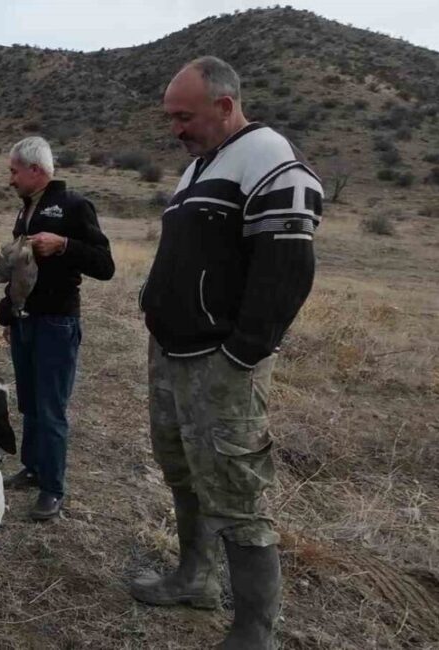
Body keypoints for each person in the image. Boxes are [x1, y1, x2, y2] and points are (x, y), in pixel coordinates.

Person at [133, 56, 323, 649]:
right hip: (171, 357)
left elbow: (287, 271)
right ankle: (195, 577)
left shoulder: (267, 158)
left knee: (238, 491)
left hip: (220, 364)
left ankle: (253, 632)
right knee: (184, 471)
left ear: (224, 104)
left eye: (184, 116)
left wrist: (241, 356)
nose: (176, 129)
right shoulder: (197, 169)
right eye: (170, 118)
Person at [0, 136, 114, 521]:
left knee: (50, 408)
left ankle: (53, 487)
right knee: (29, 402)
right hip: (25, 322)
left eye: (14, 171)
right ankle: (32, 468)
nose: (10, 179)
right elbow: (21, 267)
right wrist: (9, 310)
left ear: (35, 170)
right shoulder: (25, 210)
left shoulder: (74, 205)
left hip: (57, 323)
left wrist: (64, 244)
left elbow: (105, 264)